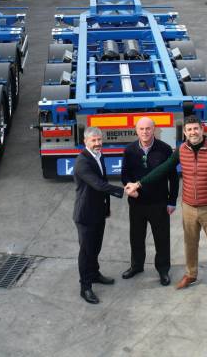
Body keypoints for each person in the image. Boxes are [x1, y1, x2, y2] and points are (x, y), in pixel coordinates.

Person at [125, 115, 207, 297]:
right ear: (184, 132)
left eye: (196, 129)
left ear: (202, 130)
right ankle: (191, 275)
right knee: (190, 243)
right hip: (189, 207)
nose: (193, 132)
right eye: (189, 129)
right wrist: (140, 184)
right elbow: (163, 169)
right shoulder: (181, 150)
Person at [73, 126, 133, 305]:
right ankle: (85, 287)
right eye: (93, 140)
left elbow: (103, 181)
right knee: (86, 251)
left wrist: (106, 208)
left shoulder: (99, 156)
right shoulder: (82, 162)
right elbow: (98, 184)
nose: (98, 143)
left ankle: (95, 274)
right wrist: (124, 191)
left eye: (99, 140)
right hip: (85, 215)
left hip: (98, 211)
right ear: (85, 141)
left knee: (96, 247)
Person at [120, 117, 179, 286]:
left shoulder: (165, 149)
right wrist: (131, 192)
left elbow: (173, 178)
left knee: (162, 238)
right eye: (141, 129)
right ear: (136, 130)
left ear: (154, 129)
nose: (145, 132)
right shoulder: (130, 150)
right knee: (136, 237)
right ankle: (136, 266)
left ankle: (163, 270)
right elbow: (125, 175)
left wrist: (172, 201)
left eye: (148, 128)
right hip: (137, 203)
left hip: (159, 203)